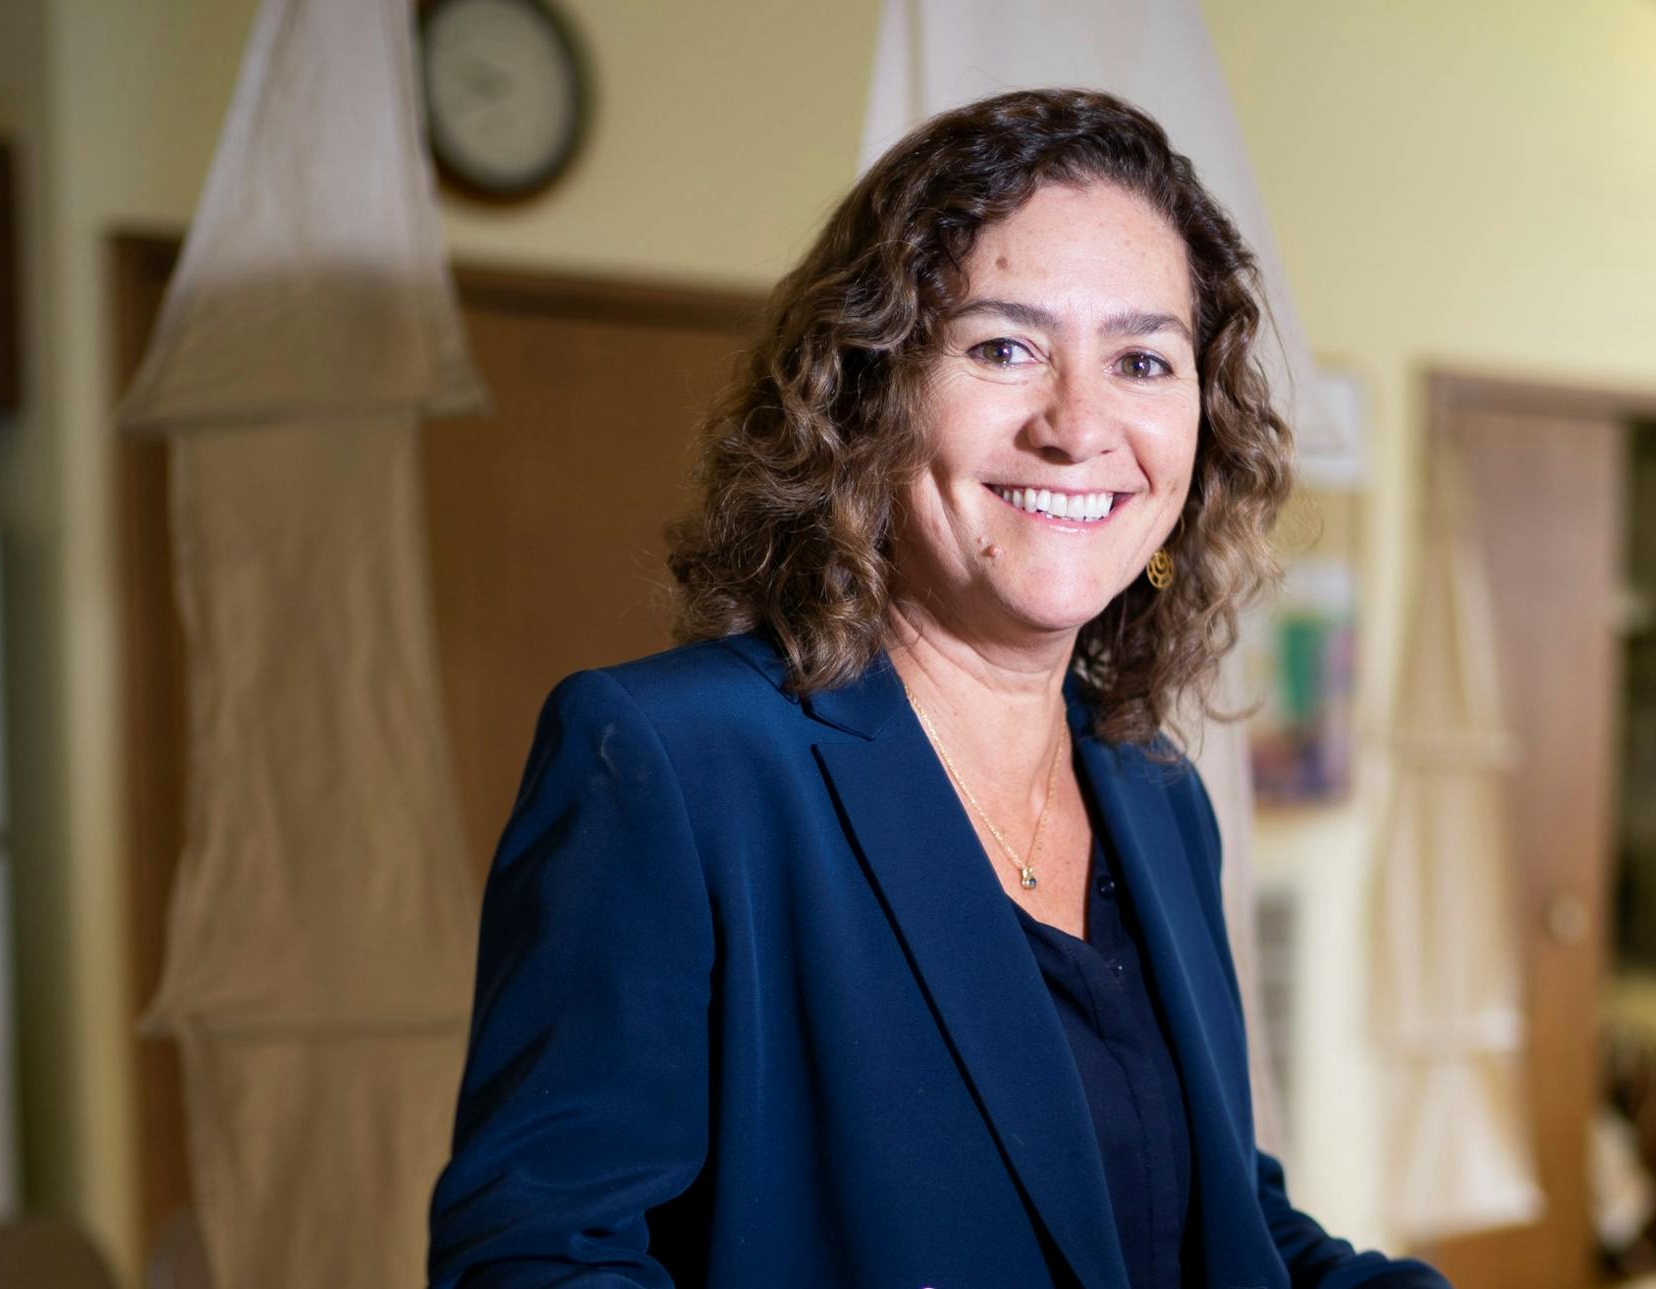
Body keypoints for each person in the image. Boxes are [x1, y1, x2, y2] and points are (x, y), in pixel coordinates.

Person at [428, 88, 1451, 1289]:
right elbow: (539, 1262)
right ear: (869, 393)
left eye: (1141, 359)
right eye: (1005, 346)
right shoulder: (676, 762)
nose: (1080, 425)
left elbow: (1209, 1221)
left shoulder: (1156, 793)